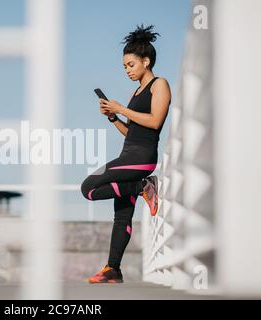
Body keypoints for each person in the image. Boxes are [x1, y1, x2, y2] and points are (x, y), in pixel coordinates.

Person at [80, 24, 171, 283]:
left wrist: (121, 108)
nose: (127, 70)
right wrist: (113, 118)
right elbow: (131, 132)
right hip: (129, 154)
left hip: (141, 159)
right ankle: (113, 269)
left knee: (88, 187)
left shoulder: (159, 84)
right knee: (121, 215)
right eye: (124, 67)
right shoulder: (135, 93)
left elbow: (154, 122)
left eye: (130, 65)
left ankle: (143, 185)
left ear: (146, 61)